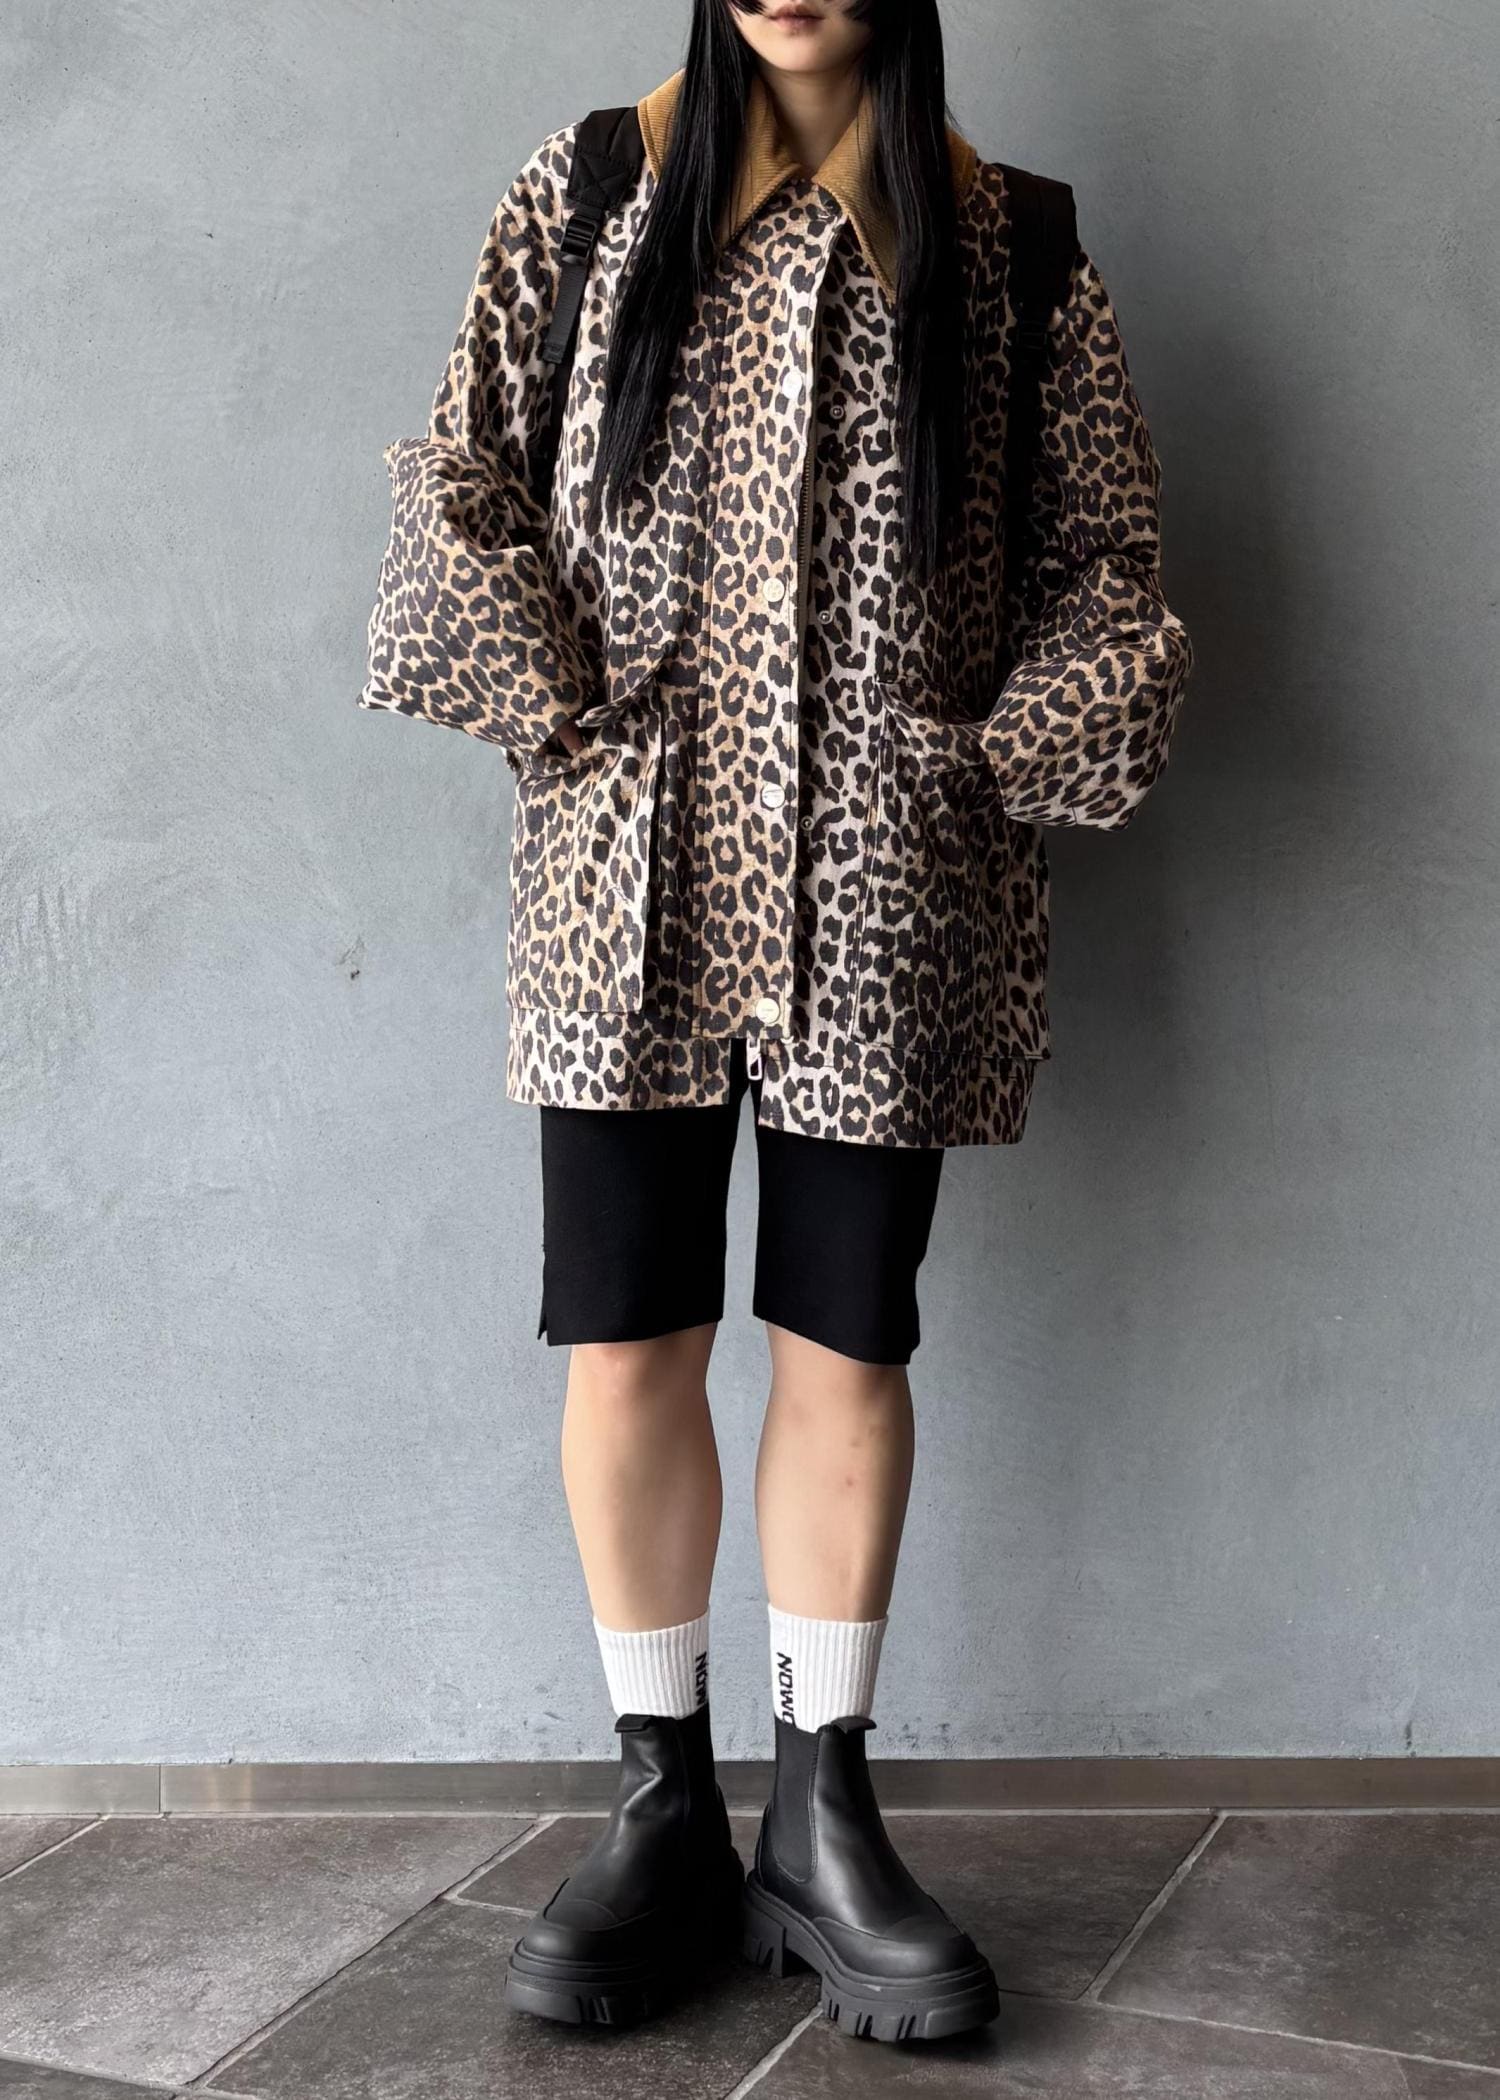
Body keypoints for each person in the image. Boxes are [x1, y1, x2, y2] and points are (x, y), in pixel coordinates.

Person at [358, 0, 1192, 2048]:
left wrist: (981, 766)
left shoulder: (1013, 248)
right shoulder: (592, 195)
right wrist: (563, 715)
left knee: (844, 1338)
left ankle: (824, 1818)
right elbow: (458, 482)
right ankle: (659, 1806)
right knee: (627, 1334)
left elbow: (1109, 567)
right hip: (623, 881)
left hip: (886, 890)